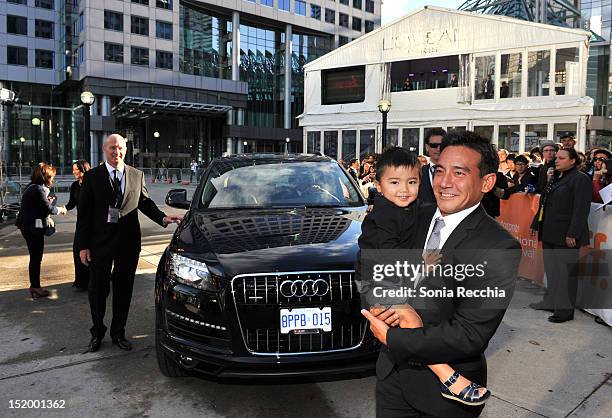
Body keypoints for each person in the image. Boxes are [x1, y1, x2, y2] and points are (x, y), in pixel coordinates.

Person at [362, 131, 521, 417]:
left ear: (487, 182)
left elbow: (470, 333)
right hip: (391, 378)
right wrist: (378, 303)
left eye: (459, 173)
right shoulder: (412, 214)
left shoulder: (497, 246)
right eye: (440, 171)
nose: (445, 182)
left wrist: (395, 338)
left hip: (444, 399)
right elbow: (367, 259)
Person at [76, 134, 183, 353]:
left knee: (124, 290)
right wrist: (83, 246)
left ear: (126, 149)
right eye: (113, 148)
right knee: (98, 291)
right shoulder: (92, 177)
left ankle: (118, 332)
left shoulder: (136, 174)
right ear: (105, 150)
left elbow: (144, 202)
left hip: (128, 243)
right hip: (100, 243)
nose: (117, 152)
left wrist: (163, 218)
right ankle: (97, 332)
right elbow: (84, 215)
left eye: (121, 148)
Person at [530, 148, 592, 323]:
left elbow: (581, 209)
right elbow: (544, 203)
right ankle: (551, 302)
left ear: (573, 161)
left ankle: (564, 312)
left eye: (561, 158)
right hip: (549, 232)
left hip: (566, 235)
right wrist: (536, 223)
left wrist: (573, 233)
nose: (556, 160)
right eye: (556, 158)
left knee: (565, 274)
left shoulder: (580, 179)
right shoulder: (556, 177)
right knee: (552, 272)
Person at [17, 163, 67, 298]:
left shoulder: (32, 187)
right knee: (36, 258)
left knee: (35, 257)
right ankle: (35, 287)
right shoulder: (38, 189)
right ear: (45, 177)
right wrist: (61, 210)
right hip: (32, 228)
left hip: (28, 226)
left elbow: (40, 206)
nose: (53, 180)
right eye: (52, 177)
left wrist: (48, 202)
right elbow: (49, 209)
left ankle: (35, 286)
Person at [65, 159, 91, 290]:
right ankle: (81, 281)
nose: (74, 172)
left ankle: (93, 280)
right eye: (74, 170)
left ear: (84, 169)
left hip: (92, 222)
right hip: (81, 223)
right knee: (77, 250)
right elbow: (71, 203)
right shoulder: (75, 186)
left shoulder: (92, 184)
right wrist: (62, 208)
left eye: (77, 170)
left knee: (92, 251)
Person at [418, 128, 446, 204]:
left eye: (442, 145)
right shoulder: (418, 173)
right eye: (434, 145)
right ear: (427, 147)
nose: (438, 149)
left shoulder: (456, 174)